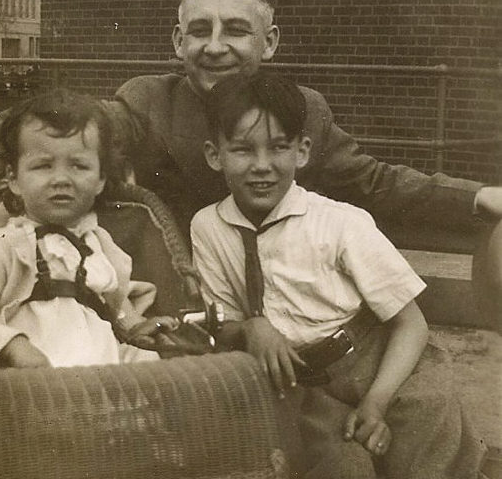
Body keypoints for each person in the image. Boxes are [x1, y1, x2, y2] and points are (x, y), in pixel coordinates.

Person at [0, 0, 501, 278]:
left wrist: (478, 196)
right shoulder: (147, 101)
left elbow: (377, 182)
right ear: (178, 41)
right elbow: (24, 122)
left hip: (278, 299)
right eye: (200, 31)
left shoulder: (302, 110)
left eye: (236, 31)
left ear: (269, 42)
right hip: (178, 290)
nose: (215, 48)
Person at [190, 72, 486, 479]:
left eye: (279, 148)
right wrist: (251, 327)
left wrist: (377, 401)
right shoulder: (207, 227)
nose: (262, 166)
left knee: (424, 454)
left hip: (384, 362)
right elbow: (221, 327)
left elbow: (409, 323)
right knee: (340, 466)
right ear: (214, 154)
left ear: (302, 151)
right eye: (242, 149)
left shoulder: (340, 222)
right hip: (303, 385)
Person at [0, 89, 178, 368]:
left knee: (158, 366)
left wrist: (134, 326)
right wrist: (12, 347)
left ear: (100, 180)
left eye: (78, 166)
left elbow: (114, 302)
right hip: (27, 384)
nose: (61, 179)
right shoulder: (2, 246)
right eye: (43, 166)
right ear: (13, 179)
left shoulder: (99, 244)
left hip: (99, 377)